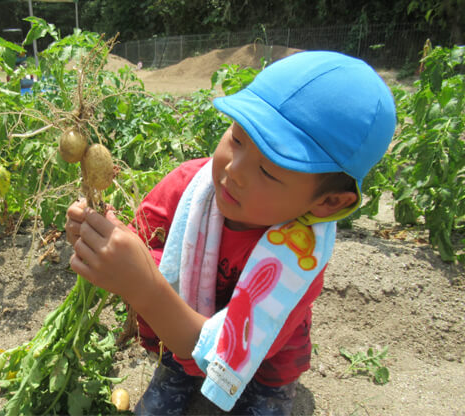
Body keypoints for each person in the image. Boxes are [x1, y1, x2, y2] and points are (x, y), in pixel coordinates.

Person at [65, 50, 396, 415]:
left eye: (269, 170)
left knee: (261, 393)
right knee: (167, 383)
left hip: (263, 364)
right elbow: (143, 245)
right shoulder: (190, 188)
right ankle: (179, 371)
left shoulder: (299, 258)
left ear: (328, 202)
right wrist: (101, 237)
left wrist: (142, 285)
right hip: (180, 340)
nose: (233, 170)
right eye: (237, 139)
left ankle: (267, 392)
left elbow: (225, 343)